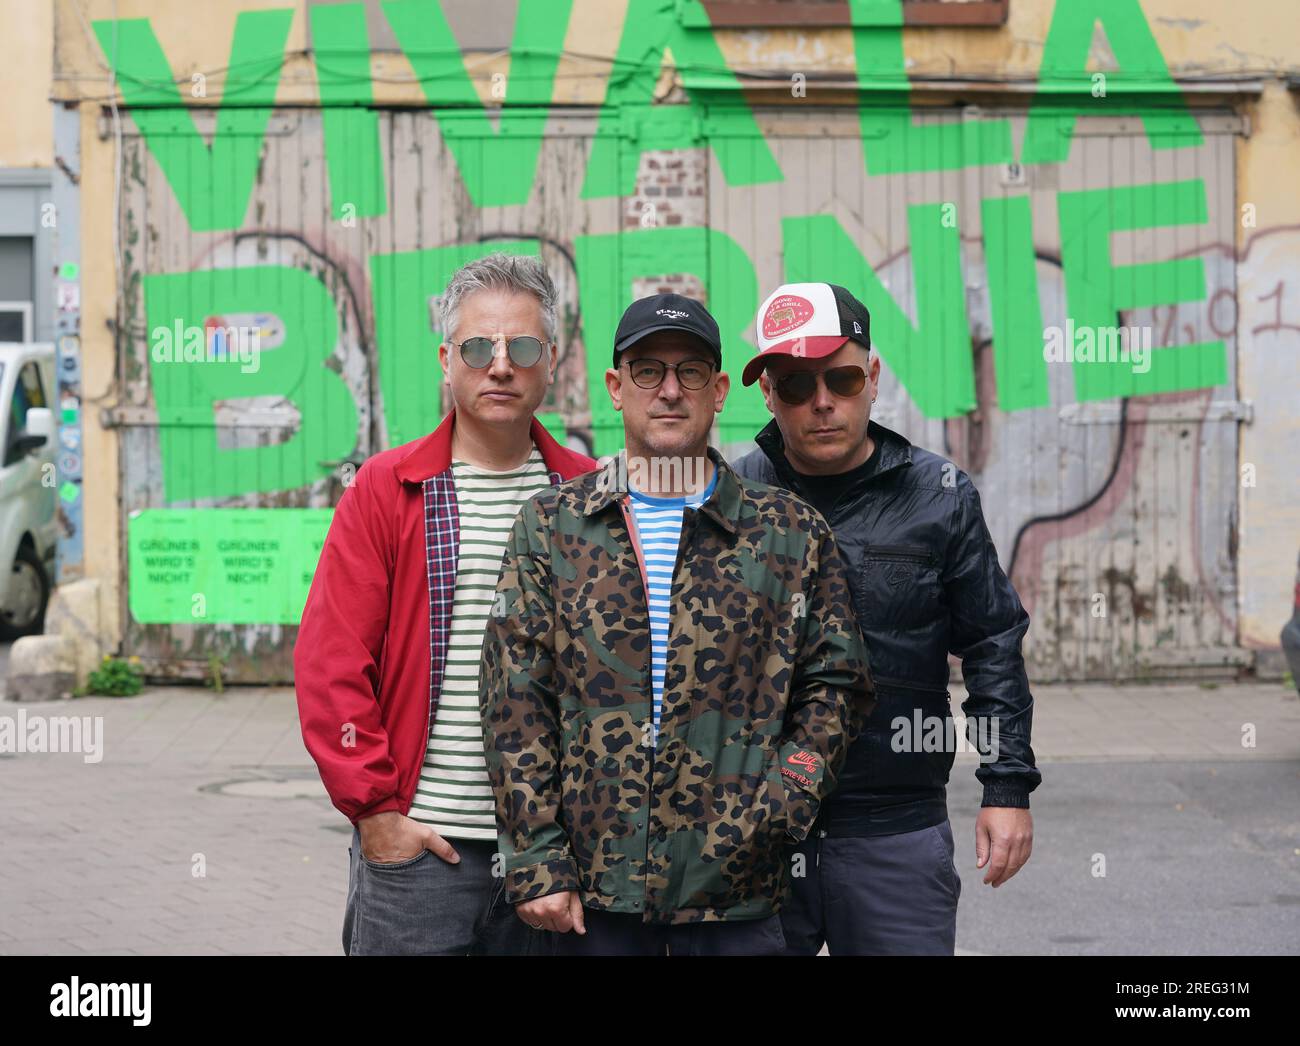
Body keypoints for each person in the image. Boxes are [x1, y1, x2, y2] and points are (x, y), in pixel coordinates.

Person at [480, 292, 873, 955]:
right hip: (591, 898)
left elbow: (839, 685)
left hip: (737, 894)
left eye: (690, 371)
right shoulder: (551, 527)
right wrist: (538, 860)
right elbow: (514, 702)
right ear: (615, 387)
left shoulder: (788, 531)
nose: (669, 390)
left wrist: (785, 801)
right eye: (647, 371)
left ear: (719, 390)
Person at [294, 253, 595, 955]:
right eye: (477, 347)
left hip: (553, 859)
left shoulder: (586, 496)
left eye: (522, 348)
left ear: (550, 361)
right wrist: (374, 811)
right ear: (445, 358)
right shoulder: (387, 489)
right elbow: (330, 662)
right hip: (422, 856)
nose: (500, 366)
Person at [732, 282, 1041, 956]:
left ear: (871, 378)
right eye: (794, 385)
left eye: (840, 378)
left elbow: (993, 643)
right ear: (768, 395)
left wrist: (1007, 784)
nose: (821, 402)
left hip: (895, 828)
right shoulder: (731, 498)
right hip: (755, 834)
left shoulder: (939, 497)